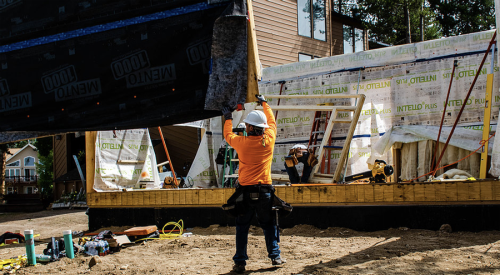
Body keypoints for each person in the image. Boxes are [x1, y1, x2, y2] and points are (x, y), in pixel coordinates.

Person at [222, 94, 285, 273]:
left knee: (242, 227)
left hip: (245, 193)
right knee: (268, 225)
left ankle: (240, 263)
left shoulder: (242, 143)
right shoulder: (269, 141)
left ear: (249, 127)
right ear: (261, 128)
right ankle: (275, 257)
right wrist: (264, 103)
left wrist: (228, 118)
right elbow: (272, 122)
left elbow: (228, 134)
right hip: (265, 191)